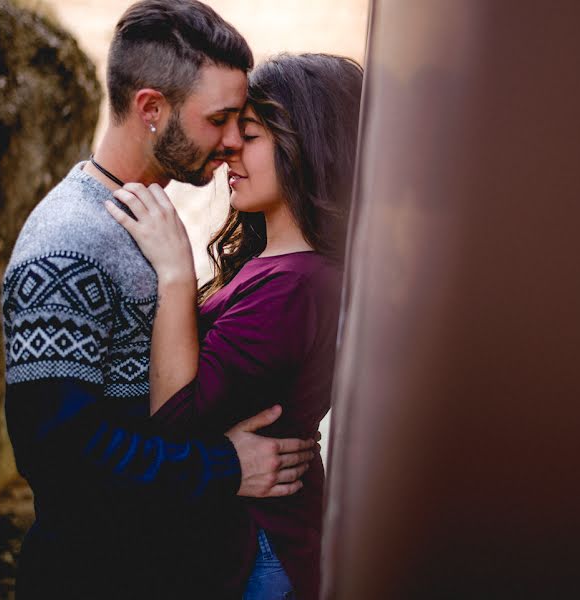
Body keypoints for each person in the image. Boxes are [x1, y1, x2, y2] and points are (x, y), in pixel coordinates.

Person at [1, 2, 315, 598]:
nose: (231, 142)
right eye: (219, 119)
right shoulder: (69, 244)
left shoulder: (142, 218)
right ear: (151, 109)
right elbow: (59, 458)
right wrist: (225, 467)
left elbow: (149, 406)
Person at [106, 53, 364, 600]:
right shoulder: (276, 268)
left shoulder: (294, 284)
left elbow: (174, 419)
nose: (228, 152)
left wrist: (176, 274)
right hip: (245, 543)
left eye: (250, 135)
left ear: (306, 147)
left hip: (257, 551)